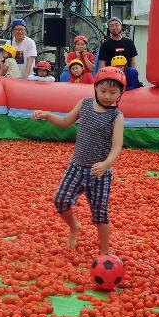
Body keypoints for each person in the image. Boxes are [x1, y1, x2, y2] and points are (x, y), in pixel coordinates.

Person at [32, 67, 126, 254]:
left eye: (113, 92)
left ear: (120, 93)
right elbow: (66, 122)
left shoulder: (117, 116)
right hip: (77, 166)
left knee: (100, 214)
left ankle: (105, 253)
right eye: (103, 91)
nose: (107, 96)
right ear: (95, 89)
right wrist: (48, 115)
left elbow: (117, 146)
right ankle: (74, 226)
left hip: (100, 172)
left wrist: (107, 164)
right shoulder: (84, 104)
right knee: (61, 200)